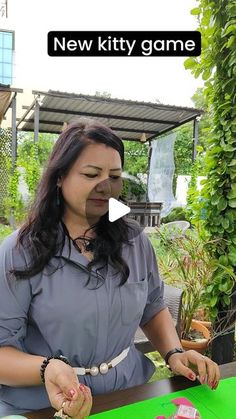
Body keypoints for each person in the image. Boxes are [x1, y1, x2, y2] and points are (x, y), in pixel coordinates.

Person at [0, 119, 220, 418]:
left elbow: (152, 307)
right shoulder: (19, 251)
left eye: (114, 176)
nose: (105, 186)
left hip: (126, 396)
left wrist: (174, 353)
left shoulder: (133, 240)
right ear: (59, 177)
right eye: (91, 174)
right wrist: (46, 368)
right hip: (42, 405)